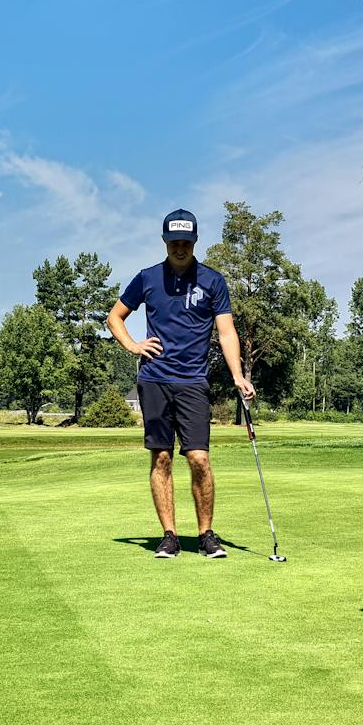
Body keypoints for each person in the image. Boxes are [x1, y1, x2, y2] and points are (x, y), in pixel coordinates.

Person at [107, 210, 254, 559]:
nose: (180, 248)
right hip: (155, 379)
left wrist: (237, 375)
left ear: (195, 242)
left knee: (199, 459)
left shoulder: (213, 281)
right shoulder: (146, 278)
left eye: (186, 242)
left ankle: (205, 535)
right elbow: (115, 317)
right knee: (161, 458)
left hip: (192, 382)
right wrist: (134, 346)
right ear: (164, 241)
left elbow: (226, 331)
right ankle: (170, 535)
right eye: (174, 242)